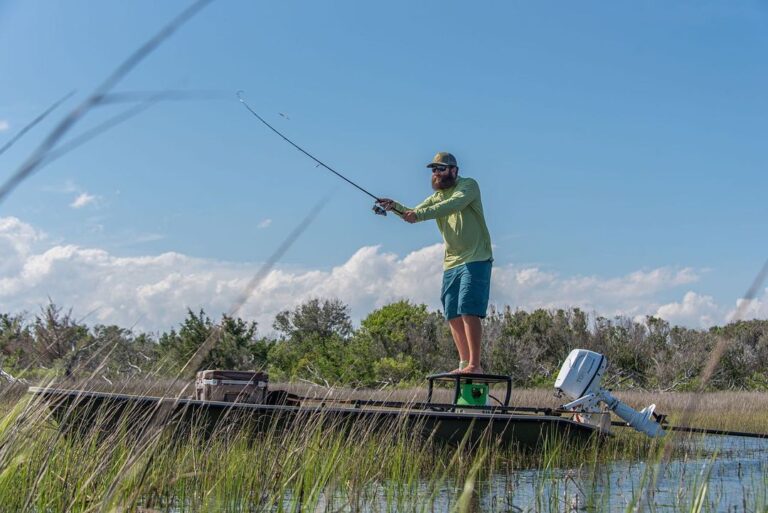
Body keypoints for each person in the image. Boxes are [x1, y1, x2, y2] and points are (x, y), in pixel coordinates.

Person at [377, 152, 493, 374]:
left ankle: (474, 365)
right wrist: (394, 207)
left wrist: (417, 215)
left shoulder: (468, 186)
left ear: (454, 170)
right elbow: (415, 212)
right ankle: (463, 363)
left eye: (441, 169)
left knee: (468, 308)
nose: (436, 174)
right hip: (451, 263)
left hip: (476, 257)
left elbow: (452, 206)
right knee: (452, 312)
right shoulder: (437, 196)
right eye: (433, 170)